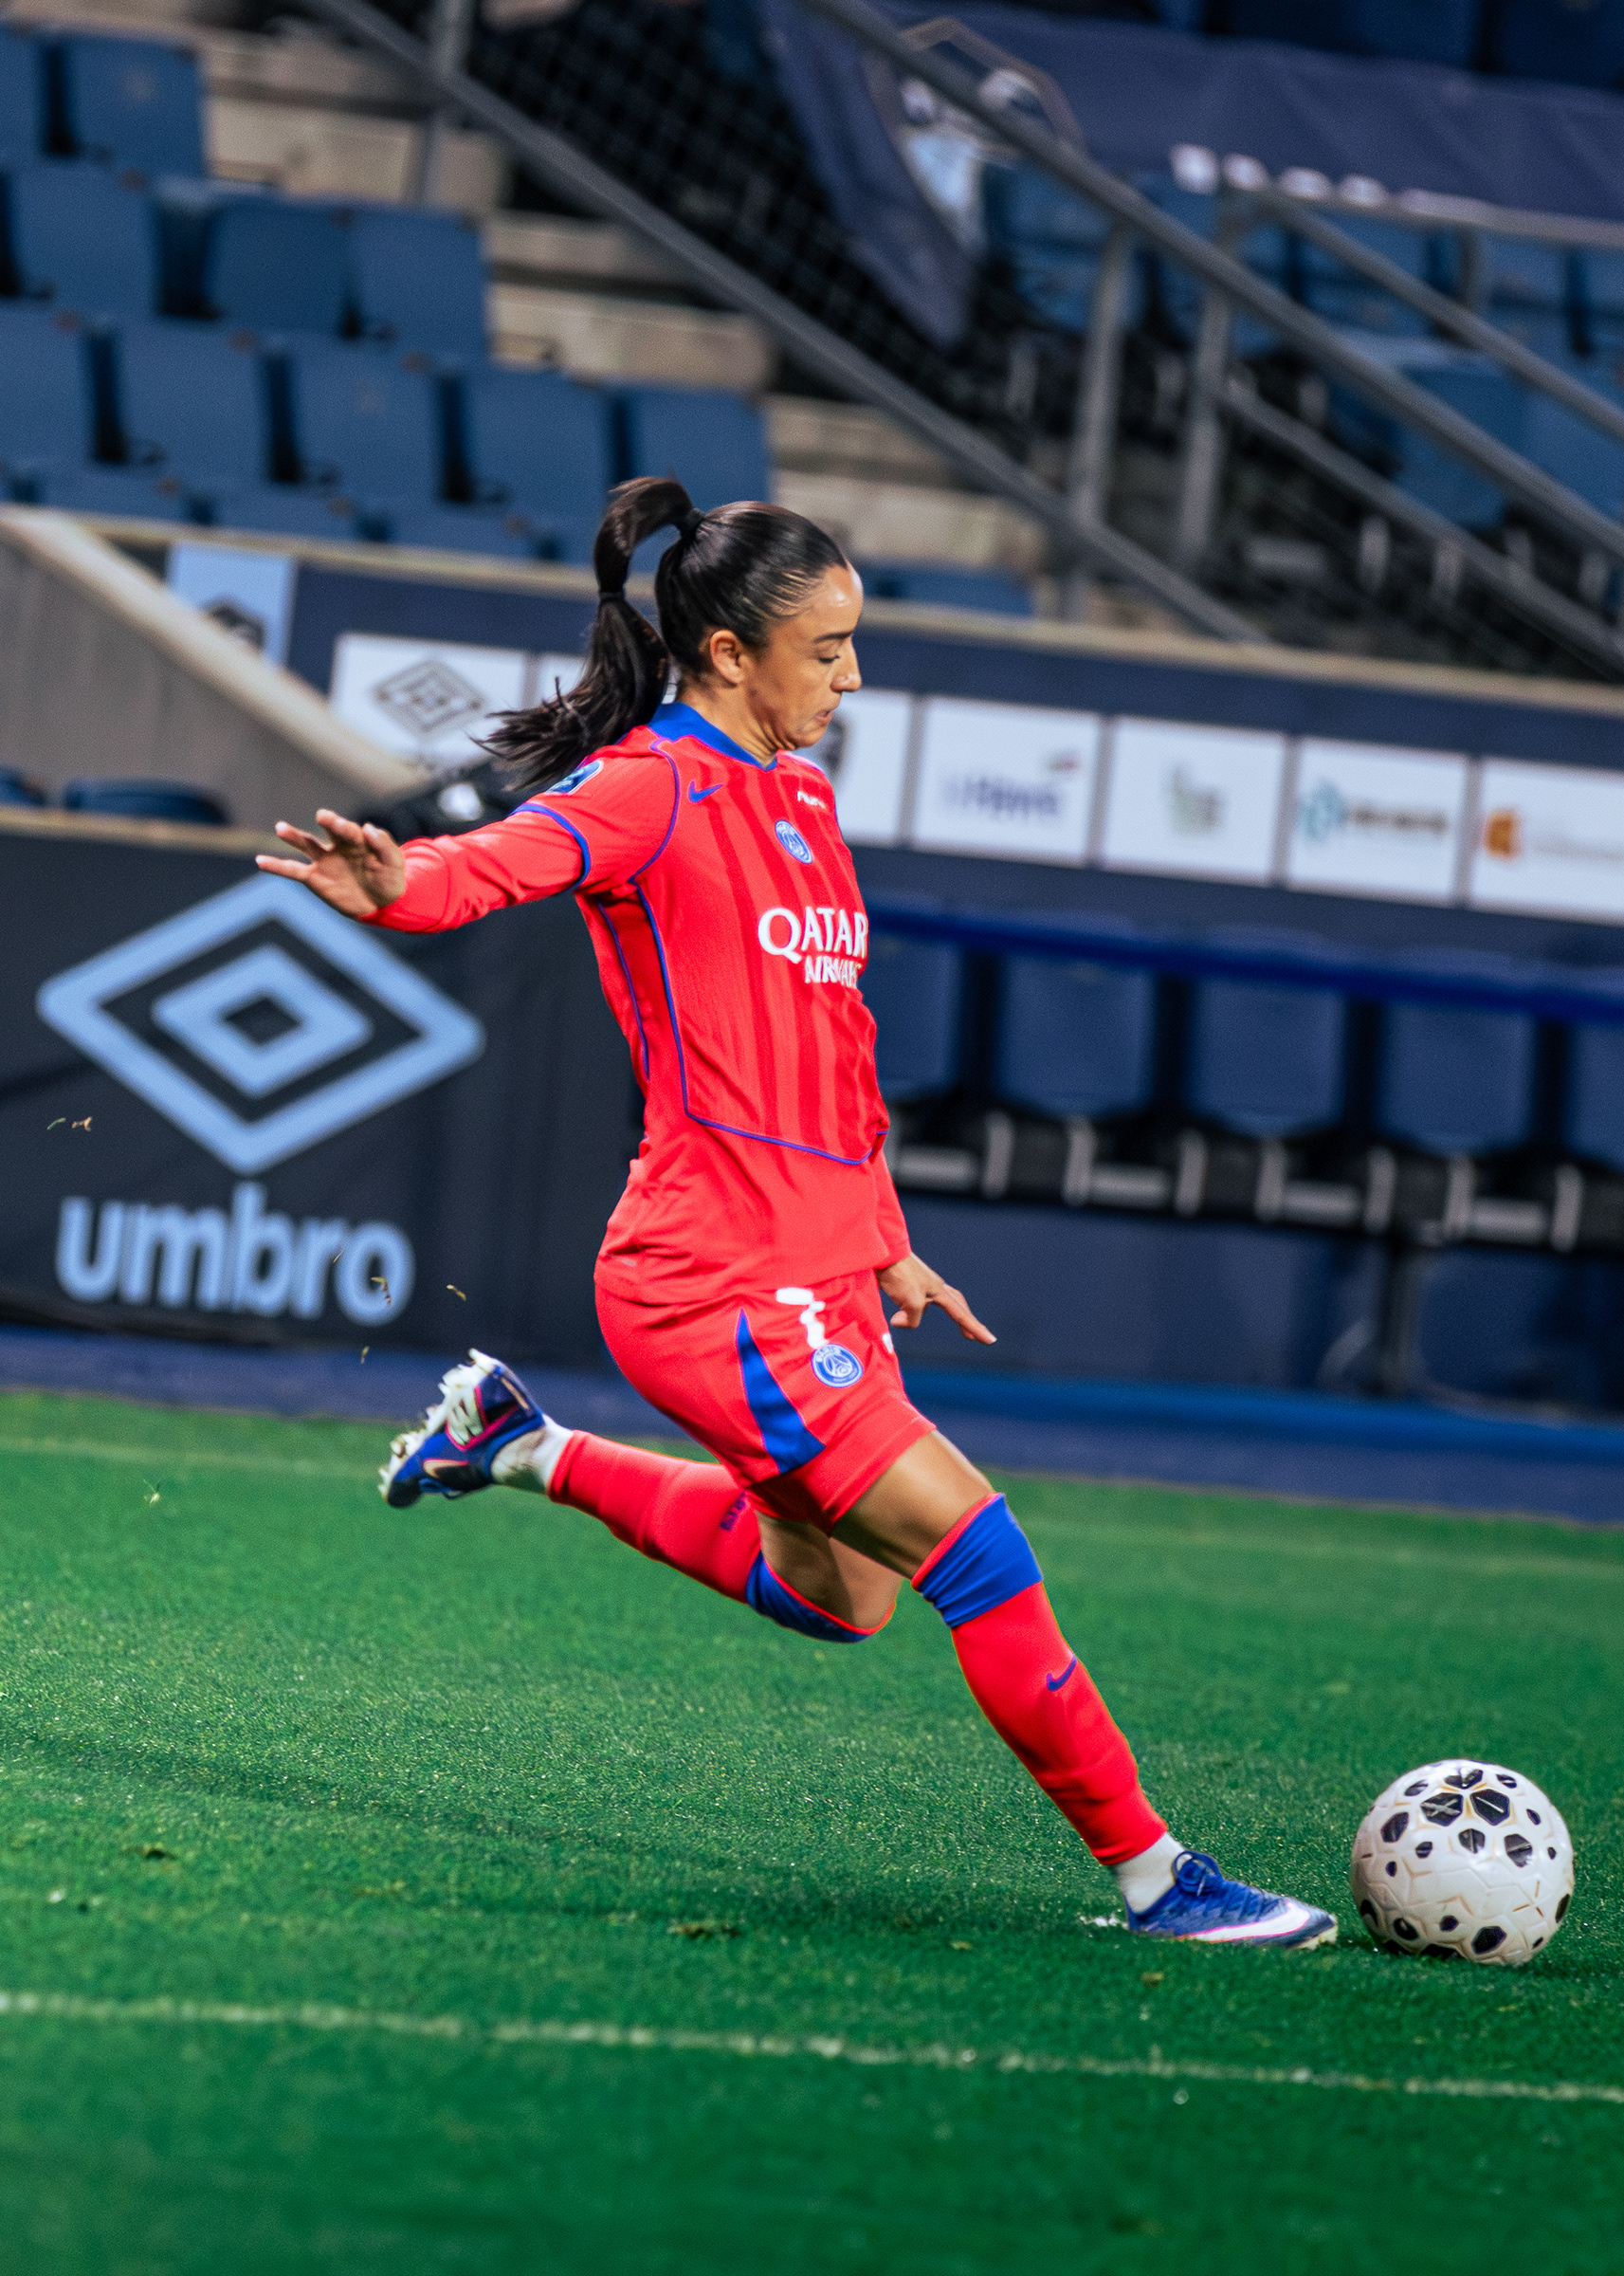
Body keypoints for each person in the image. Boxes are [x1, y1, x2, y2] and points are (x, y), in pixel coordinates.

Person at [257, 478, 1335, 1951]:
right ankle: (1159, 1878)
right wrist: (400, 885)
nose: (852, 677)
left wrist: (882, 1236)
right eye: (826, 650)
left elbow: (833, 1046)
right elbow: (500, 864)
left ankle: (520, 1443)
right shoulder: (652, 784)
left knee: (841, 1601)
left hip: (819, 1266)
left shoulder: (804, 798)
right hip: (709, 1279)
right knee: (978, 1553)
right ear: (725, 652)